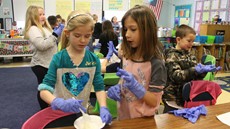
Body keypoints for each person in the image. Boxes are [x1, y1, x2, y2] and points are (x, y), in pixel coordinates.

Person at [35, 10, 111, 127]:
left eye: (87, 36)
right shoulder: (59, 59)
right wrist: (57, 102)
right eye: (77, 35)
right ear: (67, 33)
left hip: (82, 113)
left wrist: (103, 106)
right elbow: (44, 90)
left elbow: (99, 86)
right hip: (59, 114)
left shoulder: (93, 59)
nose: (83, 40)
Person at [107, 5, 167, 120]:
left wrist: (137, 88)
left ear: (147, 31)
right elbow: (123, 81)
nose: (127, 34)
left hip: (143, 120)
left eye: (133, 29)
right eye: (125, 29)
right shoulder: (126, 56)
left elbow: (155, 101)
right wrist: (117, 88)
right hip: (124, 117)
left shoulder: (156, 63)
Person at [162, 24, 221, 112]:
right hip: (173, 98)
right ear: (178, 39)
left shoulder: (191, 56)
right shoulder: (172, 56)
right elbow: (176, 76)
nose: (191, 44)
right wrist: (194, 70)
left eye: (192, 41)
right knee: (171, 122)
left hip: (187, 96)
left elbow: (196, 78)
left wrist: (203, 71)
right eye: (189, 41)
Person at [23, 5, 64, 110]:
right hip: (41, 64)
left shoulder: (45, 28)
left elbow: (53, 42)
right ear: (33, 17)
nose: (43, 17)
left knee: (50, 88)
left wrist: (59, 34)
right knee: (44, 89)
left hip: (49, 63)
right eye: (39, 15)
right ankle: (44, 110)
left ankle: (49, 107)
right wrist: (55, 34)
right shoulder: (33, 29)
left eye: (43, 14)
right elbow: (42, 45)